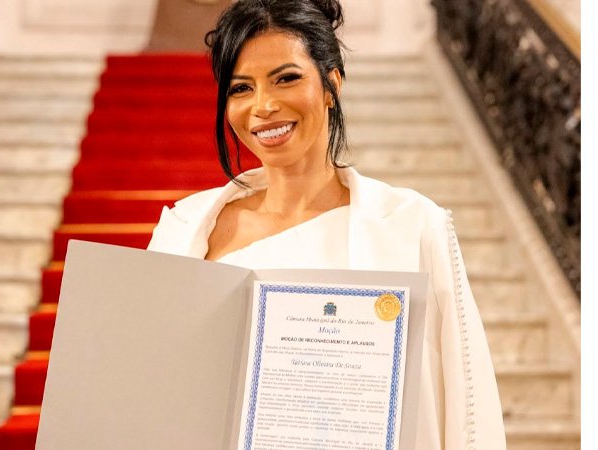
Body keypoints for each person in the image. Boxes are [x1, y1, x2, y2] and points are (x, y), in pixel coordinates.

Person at [147, 0, 507, 448]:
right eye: (241, 88)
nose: (264, 105)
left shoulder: (411, 227)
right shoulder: (184, 228)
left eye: (286, 78)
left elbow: (466, 404)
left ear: (331, 83)